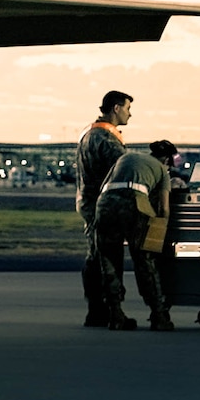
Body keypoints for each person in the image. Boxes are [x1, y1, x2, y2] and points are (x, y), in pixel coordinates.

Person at [94, 139, 182, 330]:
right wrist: (160, 235)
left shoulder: (127, 157)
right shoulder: (161, 170)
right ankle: (159, 316)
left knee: (109, 260)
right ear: (167, 159)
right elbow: (164, 209)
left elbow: (107, 184)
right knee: (144, 260)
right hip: (134, 204)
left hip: (105, 205)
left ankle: (115, 315)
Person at [76, 91, 133, 327]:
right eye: (128, 108)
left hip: (88, 203)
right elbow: (126, 168)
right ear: (116, 108)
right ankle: (113, 312)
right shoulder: (106, 139)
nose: (130, 113)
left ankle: (95, 310)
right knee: (108, 258)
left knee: (94, 256)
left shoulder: (88, 134)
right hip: (104, 206)